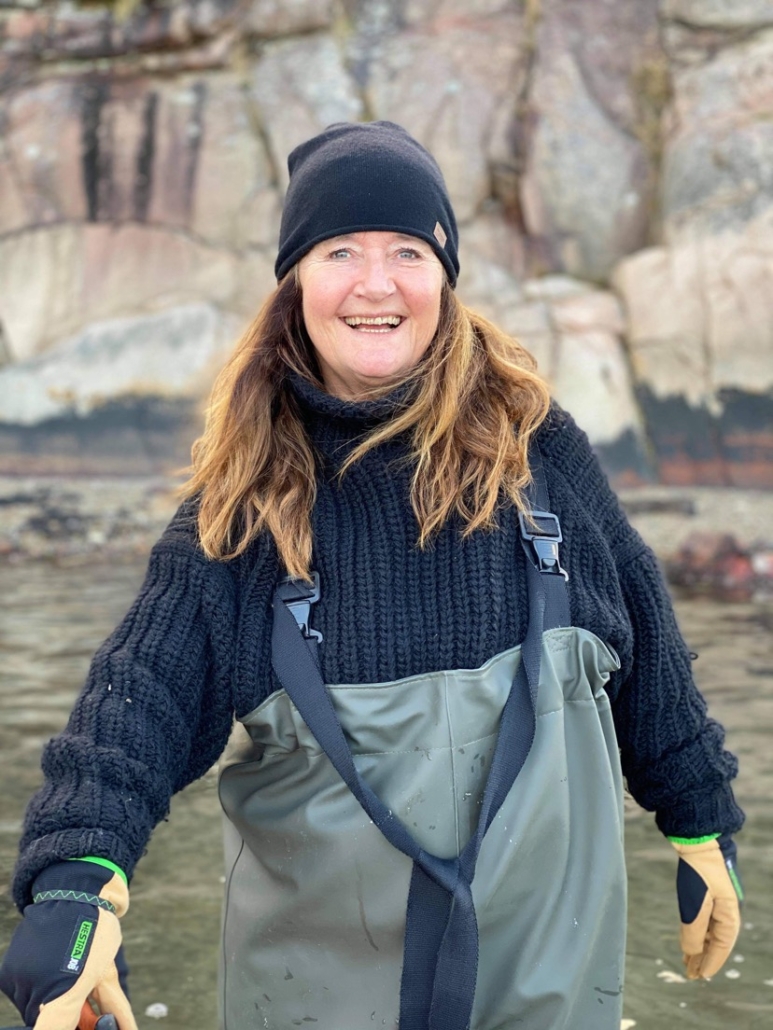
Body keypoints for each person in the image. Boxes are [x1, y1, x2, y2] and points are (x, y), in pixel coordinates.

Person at [0, 121, 745, 1030]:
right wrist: (77, 880)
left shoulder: (538, 452)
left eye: (407, 250)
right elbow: (136, 704)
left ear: (444, 276)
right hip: (312, 994)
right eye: (339, 249)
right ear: (296, 282)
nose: (376, 283)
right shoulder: (239, 508)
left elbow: (643, 633)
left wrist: (701, 819)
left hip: (546, 980)